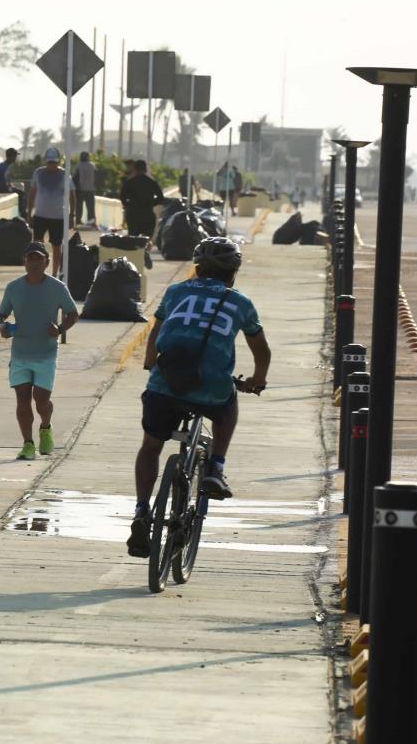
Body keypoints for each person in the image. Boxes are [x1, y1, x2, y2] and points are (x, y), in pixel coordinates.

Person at [125, 237, 271, 557]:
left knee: (151, 446)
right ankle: (216, 468)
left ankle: (141, 511)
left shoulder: (177, 291)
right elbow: (262, 351)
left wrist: (151, 363)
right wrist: (257, 382)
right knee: (227, 405)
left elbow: (156, 332)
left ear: (197, 268)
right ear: (233, 273)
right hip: (211, 385)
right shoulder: (240, 303)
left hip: (165, 383)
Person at [0, 241, 80, 460]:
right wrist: (3, 327)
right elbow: (1, 314)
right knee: (22, 398)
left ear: (47, 261)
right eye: (30, 258)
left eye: (38, 258)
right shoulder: (14, 287)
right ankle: (28, 444)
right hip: (20, 353)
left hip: (46, 354)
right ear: (24, 262)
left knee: (41, 401)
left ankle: (45, 427)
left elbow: (73, 313)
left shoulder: (57, 288)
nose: (34, 262)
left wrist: (60, 329)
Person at [26, 147, 76, 277]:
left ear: (58, 162)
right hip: (40, 215)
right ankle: (37, 272)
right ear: (46, 162)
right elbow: (32, 193)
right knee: (37, 246)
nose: (51, 165)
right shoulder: (38, 173)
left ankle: (54, 273)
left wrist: (72, 216)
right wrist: (29, 213)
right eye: (49, 162)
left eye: (54, 162)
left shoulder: (65, 175)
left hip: (58, 217)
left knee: (56, 246)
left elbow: (72, 196)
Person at [119, 159, 165, 244]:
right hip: (147, 214)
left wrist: (128, 205)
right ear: (145, 169)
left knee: (133, 241)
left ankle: (134, 256)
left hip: (133, 214)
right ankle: (145, 255)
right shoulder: (152, 182)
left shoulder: (130, 182)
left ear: (135, 169)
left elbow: (122, 197)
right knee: (146, 241)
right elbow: (161, 198)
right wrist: (151, 203)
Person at [72, 151, 98, 227]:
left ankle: (78, 222)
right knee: (90, 207)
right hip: (90, 189)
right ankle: (92, 222)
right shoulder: (92, 165)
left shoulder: (78, 166)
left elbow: (75, 177)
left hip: (81, 189)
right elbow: (97, 175)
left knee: (79, 207)